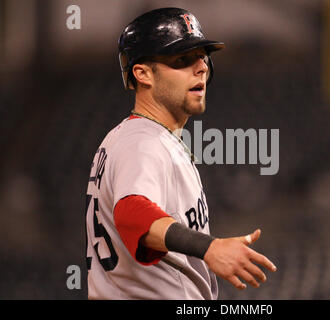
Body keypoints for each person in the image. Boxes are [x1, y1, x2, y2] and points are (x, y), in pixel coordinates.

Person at [85, 7, 277, 300]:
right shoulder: (142, 142)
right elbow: (131, 213)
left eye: (201, 57)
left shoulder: (140, 138)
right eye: (182, 60)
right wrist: (209, 247)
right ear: (143, 73)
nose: (201, 67)